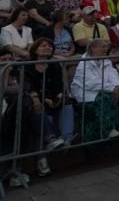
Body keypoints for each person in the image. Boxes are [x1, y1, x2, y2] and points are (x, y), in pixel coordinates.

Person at [25, 37, 75, 177]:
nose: (48, 48)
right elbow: (27, 86)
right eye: (44, 46)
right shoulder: (27, 65)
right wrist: (39, 99)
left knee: (67, 104)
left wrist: (58, 96)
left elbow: (59, 85)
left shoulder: (54, 65)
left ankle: (65, 140)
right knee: (43, 120)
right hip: (34, 103)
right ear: (35, 49)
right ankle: (44, 157)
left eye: (50, 46)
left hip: (52, 100)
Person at [70, 38, 119, 142]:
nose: (105, 49)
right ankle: (109, 129)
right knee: (106, 97)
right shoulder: (84, 63)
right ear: (93, 48)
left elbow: (113, 75)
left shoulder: (106, 60)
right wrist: (112, 88)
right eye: (102, 47)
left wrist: (117, 87)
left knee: (116, 95)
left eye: (106, 47)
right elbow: (91, 83)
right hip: (85, 92)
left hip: (103, 89)